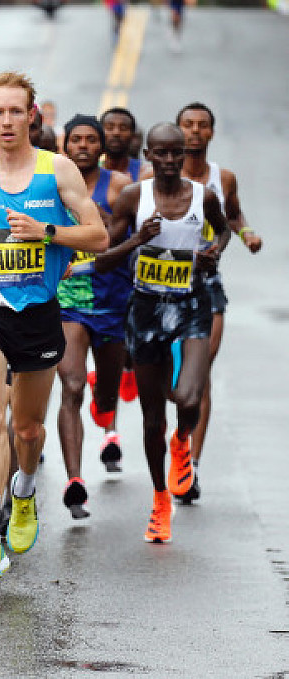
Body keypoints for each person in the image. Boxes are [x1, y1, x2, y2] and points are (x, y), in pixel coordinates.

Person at [0, 72, 108, 582]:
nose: (7, 121)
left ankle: (26, 489)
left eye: (17, 111)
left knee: (28, 429)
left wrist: (47, 231)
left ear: (31, 115)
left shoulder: (58, 170)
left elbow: (98, 236)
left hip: (38, 313)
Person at [95, 122, 229, 543]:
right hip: (146, 309)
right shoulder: (134, 197)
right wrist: (138, 239)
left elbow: (223, 229)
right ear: (149, 155)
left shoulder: (203, 197)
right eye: (162, 153)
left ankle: (183, 439)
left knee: (188, 398)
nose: (170, 160)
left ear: (184, 154)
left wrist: (213, 252)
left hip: (192, 305)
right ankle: (159, 500)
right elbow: (104, 259)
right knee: (152, 418)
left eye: (177, 152)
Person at [165, 102, 261, 502]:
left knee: (200, 373)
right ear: (177, 131)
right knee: (171, 384)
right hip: (163, 288)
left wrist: (247, 234)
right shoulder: (159, 178)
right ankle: (176, 439)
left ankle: (191, 465)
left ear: (211, 133)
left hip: (206, 287)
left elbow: (233, 216)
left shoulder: (224, 178)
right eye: (187, 124)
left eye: (202, 125)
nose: (194, 131)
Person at [55, 115, 133, 518]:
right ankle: (75, 482)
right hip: (67, 302)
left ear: (101, 146)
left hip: (111, 301)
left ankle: (105, 405)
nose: (83, 145)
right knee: (71, 387)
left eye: (90, 139)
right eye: (76, 139)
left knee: (105, 394)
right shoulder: (51, 186)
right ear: (65, 146)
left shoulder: (119, 187)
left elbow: (119, 243)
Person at [101, 107, 146, 180]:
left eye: (123, 128)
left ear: (132, 135)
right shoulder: (88, 174)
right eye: (110, 128)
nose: (116, 133)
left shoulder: (146, 174)